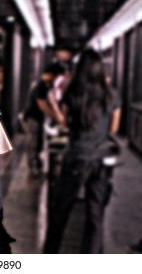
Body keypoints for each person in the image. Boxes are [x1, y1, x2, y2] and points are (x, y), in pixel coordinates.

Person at [43, 48, 121, 254]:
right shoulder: (111, 95)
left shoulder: (73, 93)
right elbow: (113, 129)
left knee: (61, 211)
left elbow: (65, 123)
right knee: (95, 216)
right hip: (101, 161)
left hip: (76, 157)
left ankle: (49, 254)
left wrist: (54, 105)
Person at [23, 63, 66, 179]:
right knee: (33, 144)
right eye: (57, 77)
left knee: (39, 143)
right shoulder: (41, 85)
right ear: (52, 74)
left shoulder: (47, 85)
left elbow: (51, 101)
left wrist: (57, 114)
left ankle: (37, 164)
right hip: (33, 119)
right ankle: (32, 169)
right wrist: (56, 116)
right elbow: (42, 105)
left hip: (38, 119)